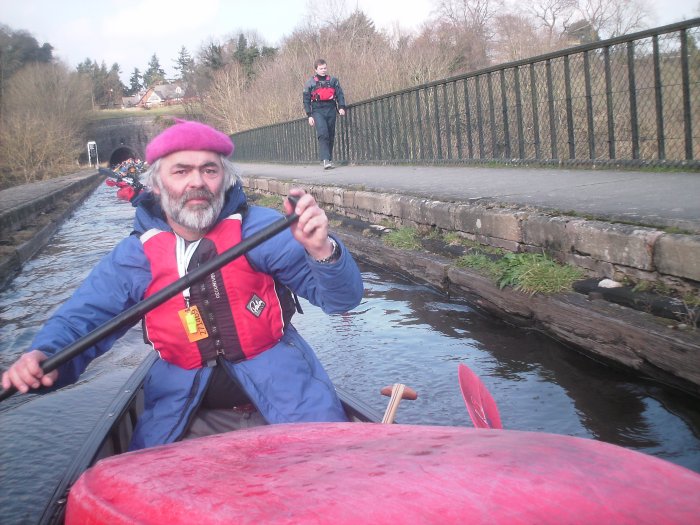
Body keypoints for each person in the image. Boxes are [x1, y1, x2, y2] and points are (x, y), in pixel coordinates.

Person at [1, 119, 364, 450]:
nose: (197, 182)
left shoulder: (260, 230)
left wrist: (322, 249)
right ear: (157, 186)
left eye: (209, 170)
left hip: (289, 397)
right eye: (181, 171)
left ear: (224, 180)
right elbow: (80, 321)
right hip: (183, 414)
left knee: (333, 470)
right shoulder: (135, 257)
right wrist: (42, 356)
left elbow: (343, 299)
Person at [303, 59, 346, 170]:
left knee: (331, 134)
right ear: (316, 69)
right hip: (317, 110)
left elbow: (340, 94)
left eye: (325, 68)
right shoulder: (310, 83)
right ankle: (325, 160)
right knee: (323, 133)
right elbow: (306, 100)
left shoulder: (333, 80)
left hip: (331, 108)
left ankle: (329, 159)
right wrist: (309, 115)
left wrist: (341, 107)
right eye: (321, 68)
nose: (323, 70)